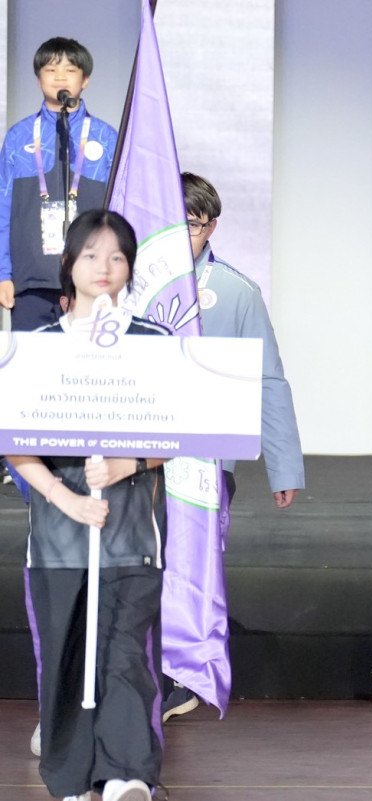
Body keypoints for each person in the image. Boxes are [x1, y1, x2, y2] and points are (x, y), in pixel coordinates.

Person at [10, 209, 168, 801]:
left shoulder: (152, 343)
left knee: (125, 654)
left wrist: (131, 464)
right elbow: (16, 444)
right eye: (92, 254)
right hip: (60, 537)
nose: (105, 267)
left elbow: (182, 433)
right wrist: (65, 498)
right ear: (69, 264)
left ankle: (128, 773)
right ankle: (72, 776)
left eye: (118, 256)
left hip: (130, 534)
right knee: (66, 655)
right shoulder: (37, 348)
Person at [160, 172, 306, 721]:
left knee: (192, 565)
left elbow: (269, 378)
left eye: (193, 225)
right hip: (139, 454)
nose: (182, 235)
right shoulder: (129, 284)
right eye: (171, 223)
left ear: (211, 227)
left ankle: (181, 675)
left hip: (205, 460)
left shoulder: (236, 291)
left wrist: (283, 466)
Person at [0, 38, 118, 332]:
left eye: (70, 70)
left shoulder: (105, 137)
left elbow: (120, 209)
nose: (60, 77)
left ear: (85, 79)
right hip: (31, 280)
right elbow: (3, 207)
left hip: (91, 279)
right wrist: (3, 273)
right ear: (38, 79)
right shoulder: (18, 136)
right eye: (51, 70)